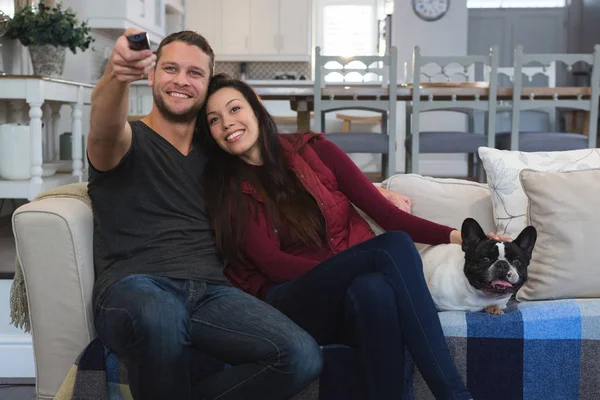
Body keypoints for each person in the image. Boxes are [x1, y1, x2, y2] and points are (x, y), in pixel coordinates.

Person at [197, 73, 483, 400]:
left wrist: (455, 235)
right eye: (214, 120)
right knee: (390, 249)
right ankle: (454, 395)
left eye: (235, 109)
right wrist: (345, 270)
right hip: (288, 299)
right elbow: (272, 263)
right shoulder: (225, 188)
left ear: (256, 106)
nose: (227, 124)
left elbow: (387, 215)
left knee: (374, 289)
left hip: (347, 294)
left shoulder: (316, 151)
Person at [86, 31, 323, 400]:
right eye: (170, 68)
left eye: (195, 73)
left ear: (207, 84)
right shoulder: (126, 139)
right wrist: (116, 76)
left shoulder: (217, 153)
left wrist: (374, 191)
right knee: (160, 314)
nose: (181, 80)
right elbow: (102, 129)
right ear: (151, 76)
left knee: (301, 356)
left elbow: (279, 152)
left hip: (211, 293)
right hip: (134, 287)